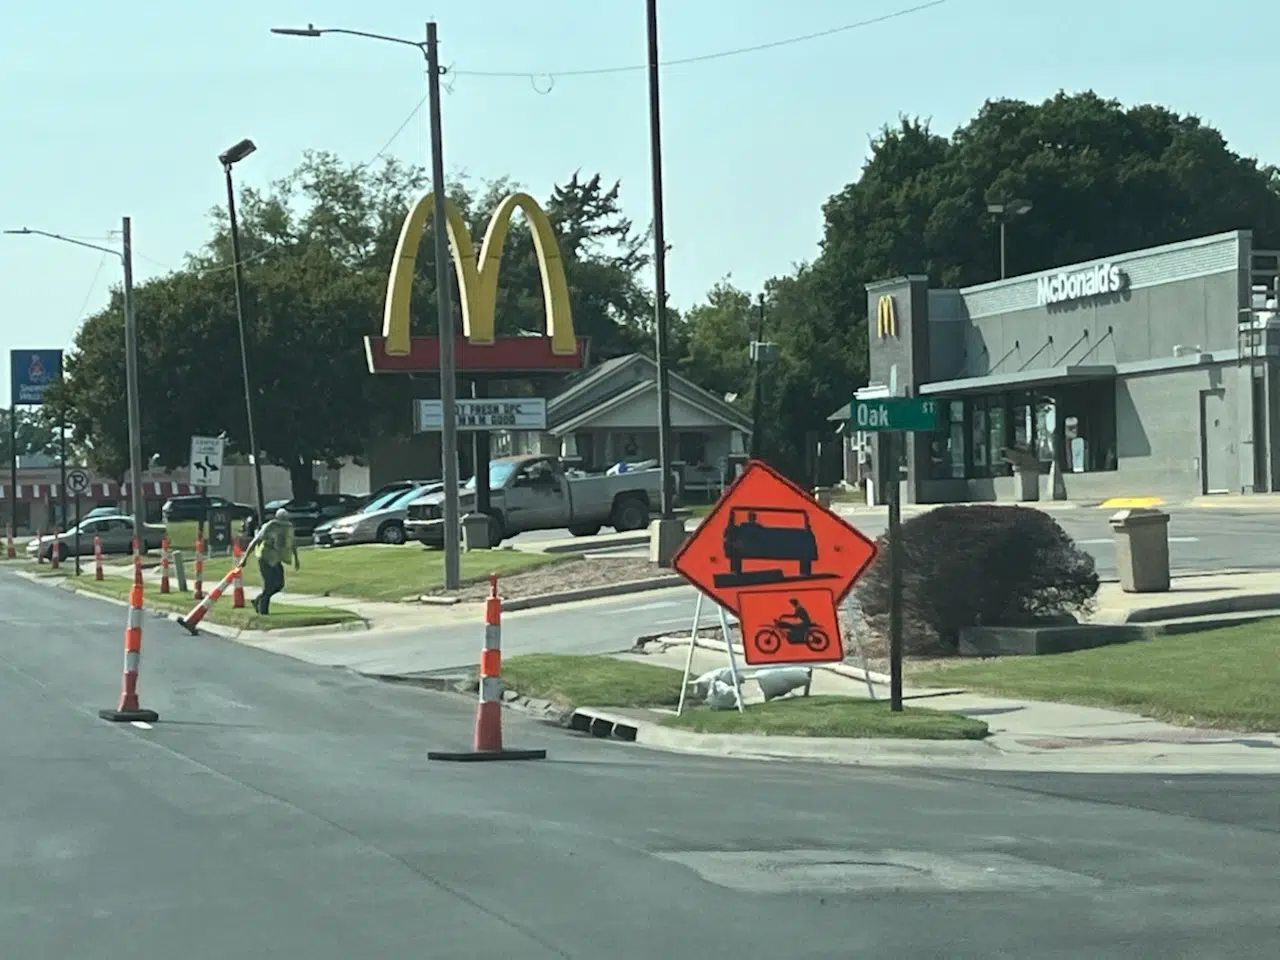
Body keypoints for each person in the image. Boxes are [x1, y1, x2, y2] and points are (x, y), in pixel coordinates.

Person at [253, 507, 298, 615]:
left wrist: (296, 559)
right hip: (265, 558)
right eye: (282, 519)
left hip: (276, 558)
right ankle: (263, 610)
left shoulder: (288, 528)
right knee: (269, 585)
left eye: (285, 519)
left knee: (279, 584)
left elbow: (291, 543)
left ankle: (258, 600)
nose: (283, 522)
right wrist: (244, 559)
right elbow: (255, 541)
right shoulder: (269, 527)